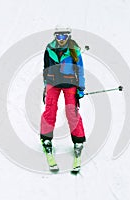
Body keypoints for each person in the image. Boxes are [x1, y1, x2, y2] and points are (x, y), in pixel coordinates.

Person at [40, 27, 86, 172]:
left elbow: (80, 69)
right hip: (53, 83)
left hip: (69, 83)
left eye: (64, 36)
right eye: (59, 37)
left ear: (68, 36)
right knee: (50, 109)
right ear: (55, 37)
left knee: (71, 111)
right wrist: (45, 86)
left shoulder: (74, 50)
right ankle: (46, 138)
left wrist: (81, 88)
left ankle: (78, 141)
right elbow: (45, 68)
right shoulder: (49, 49)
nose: (61, 39)